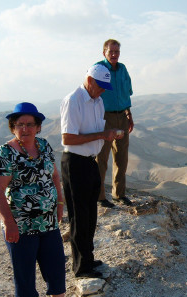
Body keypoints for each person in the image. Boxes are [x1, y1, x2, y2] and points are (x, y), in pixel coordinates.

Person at [0, 102, 87, 297]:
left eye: (30, 124)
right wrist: (9, 223)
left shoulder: (43, 146)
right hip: (20, 226)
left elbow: (54, 176)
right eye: (20, 124)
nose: (25, 129)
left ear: (38, 127)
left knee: (55, 267)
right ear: (13, 127)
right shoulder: (5, 153)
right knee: (24, 272)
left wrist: (60, 203)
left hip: (48, 223)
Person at [60, 64, 123, 279]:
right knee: (78, 216)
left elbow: (97, 132)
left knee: (91, 214)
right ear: (89, 80)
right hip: (74, 163)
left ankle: (88, 258)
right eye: (100, 86)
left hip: (90, 162)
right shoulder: (74, 100)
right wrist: (102, 135)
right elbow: (68, 138)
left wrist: (107, 135)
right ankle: (80, 267)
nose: (103, 90)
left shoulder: (98, 101)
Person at [95, 38, 134, 208]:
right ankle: (100, 196)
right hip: (104, 117)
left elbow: (127, 94)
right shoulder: (98, 68)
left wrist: (129, 115)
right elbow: (91, 93)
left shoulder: (123, 69)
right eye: (110, 51)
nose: (114, 54)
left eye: (116, 52)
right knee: (101, 158)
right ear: (104, 52)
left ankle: (119, 194)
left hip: (122, 116)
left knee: (121, 157)